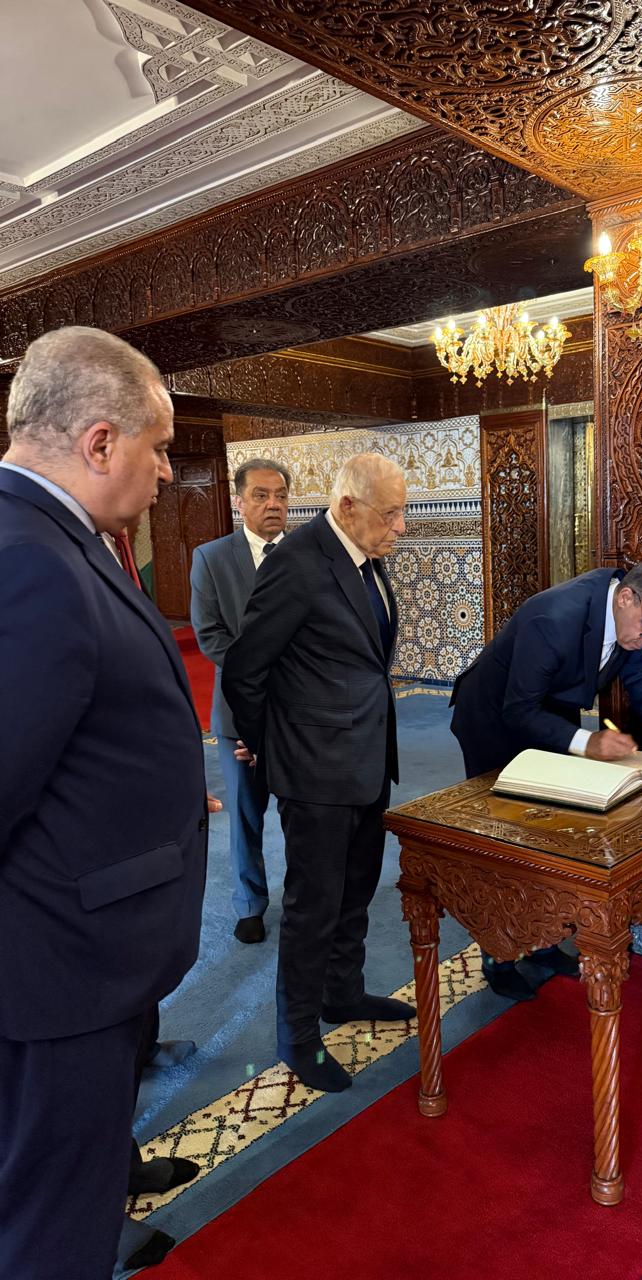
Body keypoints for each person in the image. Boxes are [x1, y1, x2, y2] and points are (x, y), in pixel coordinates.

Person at [0, 326, 208, 1280]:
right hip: (58, 968)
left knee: (73, 1178)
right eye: (158, 448)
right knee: (52, 1224)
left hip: (79, 948)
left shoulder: (49, 537)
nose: (165, 471)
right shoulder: (30, 559)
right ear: (98, 442)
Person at [222, 453, 414, 1093]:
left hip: (366, 761)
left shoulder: (367, 556)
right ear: (347, 507)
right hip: (314, 775)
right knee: (313, 908)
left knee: (356, 890)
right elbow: (245, 669)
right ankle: (298, 1036)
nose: (401, 527)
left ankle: (343, 994)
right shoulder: (298, 563)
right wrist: (269, 751)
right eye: (391, 514)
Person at [450, 558, 642, 1000]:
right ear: (626, 597)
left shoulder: (631, 616)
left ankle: (545, 942)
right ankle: (498, 952)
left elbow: (641, 668)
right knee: (504, 841)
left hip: (548, 714)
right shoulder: (554, 617)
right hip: (494, 719)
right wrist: (588, 743)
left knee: (550, 834)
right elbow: (518, 710)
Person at [190, 458, 291, 943]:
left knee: (301, 814)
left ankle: (303, 900)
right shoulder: (212, 558)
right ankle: (250, 904)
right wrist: (262, 676)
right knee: (246, 817)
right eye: (260, 495)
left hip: (298, 715)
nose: (273, 505)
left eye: (281, 496)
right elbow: (210, 635)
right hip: (238, 714)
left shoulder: (309, 554)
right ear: (238, 502)